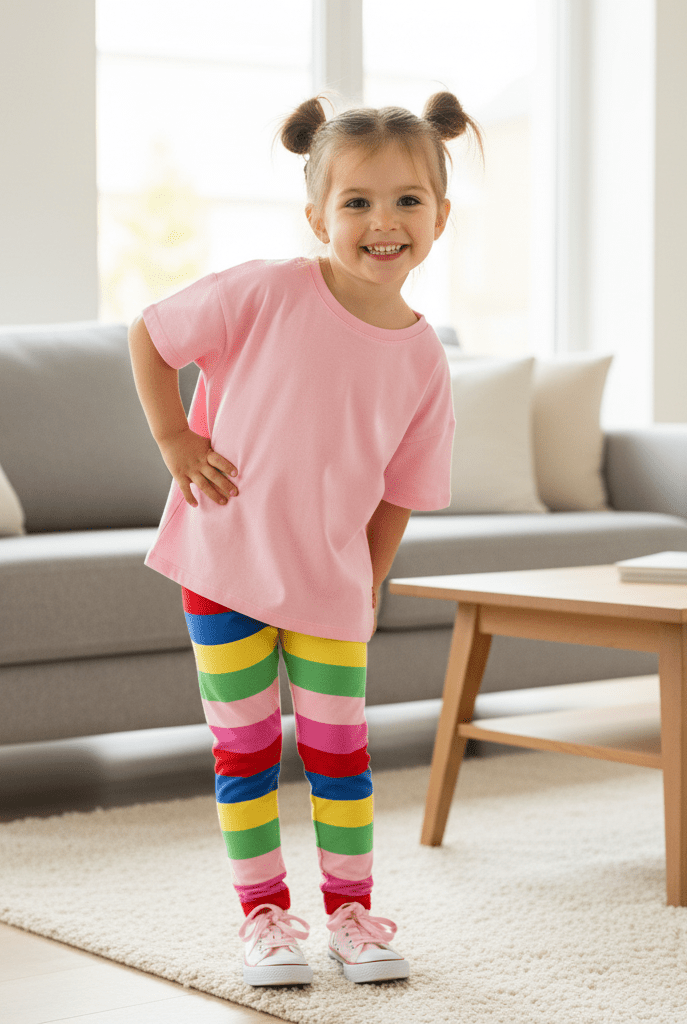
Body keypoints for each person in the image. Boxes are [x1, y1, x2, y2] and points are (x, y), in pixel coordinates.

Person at [129, 91, 482, 987]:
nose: (383, 221)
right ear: (318, 216)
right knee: (245, 752)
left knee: (340, 756)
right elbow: (152, 334)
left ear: (440, 217)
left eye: (407, 200)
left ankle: (352, 915)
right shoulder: (268, 290)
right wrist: (175, 440)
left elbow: (400, 493)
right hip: (225, 565)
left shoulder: (424, 358)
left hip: (330, 585)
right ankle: (264, 919)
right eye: (357, 201)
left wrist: (369, 580)